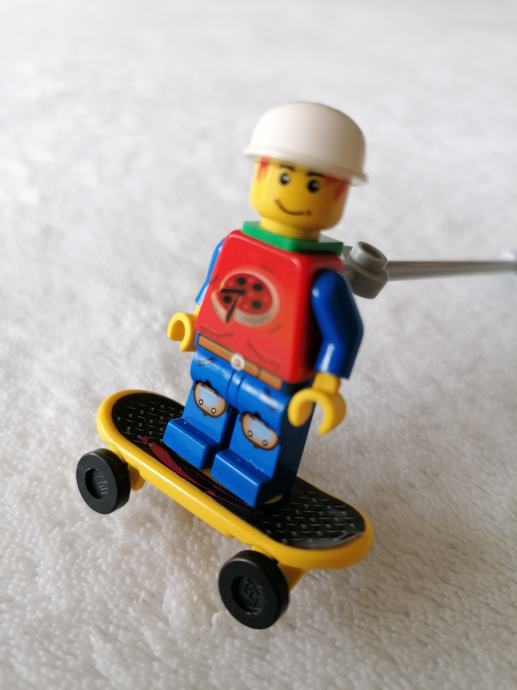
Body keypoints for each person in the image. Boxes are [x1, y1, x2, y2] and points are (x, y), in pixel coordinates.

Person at [162, 102, 366, 507]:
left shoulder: (323, 279)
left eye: (313, 186)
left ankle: (252, 474)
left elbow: (343, 334)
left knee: (260, 435)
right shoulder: (233, 246)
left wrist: (326, 386)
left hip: (274, 383)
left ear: (338, 193)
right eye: (284, 177)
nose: (293, 193)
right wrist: (193, 320)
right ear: (261, 174)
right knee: (205, 408)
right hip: (215, 356)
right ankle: (194, 439)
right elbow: (213, 289)